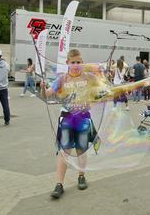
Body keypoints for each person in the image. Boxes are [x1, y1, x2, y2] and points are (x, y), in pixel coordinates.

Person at [41, 49, 100, 199]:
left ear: (82, 63)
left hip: (83, 118)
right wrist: (42, 87)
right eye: (73, 62)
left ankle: (81, 175)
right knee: (64, 151)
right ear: (67, 63)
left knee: (81, 149)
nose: (76, 65)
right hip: (67, 118)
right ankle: (59, 184)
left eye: (79, 62)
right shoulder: (62, 79)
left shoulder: (89, 78)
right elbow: (47, 94)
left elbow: (101, 90)